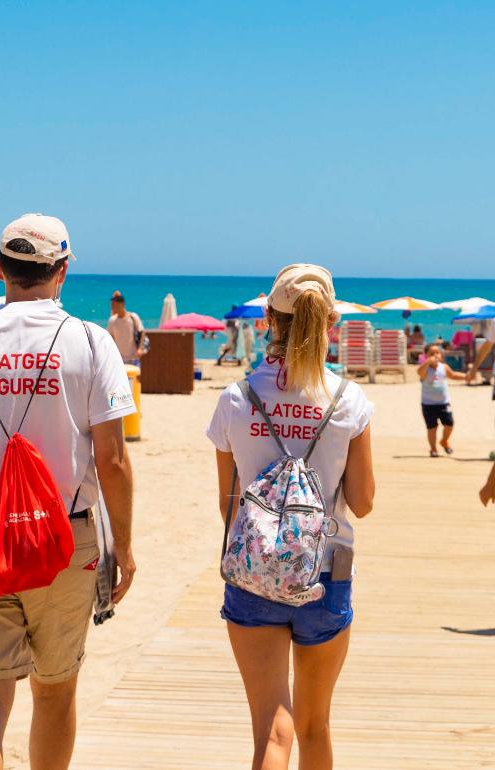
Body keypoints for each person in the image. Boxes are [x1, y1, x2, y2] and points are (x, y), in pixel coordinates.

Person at [0, 213, 137, 770]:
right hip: (66, 538)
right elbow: (112, 461)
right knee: (56, 689)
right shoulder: (90, 342)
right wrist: (127, 549)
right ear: (63, 270)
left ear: (0, 271)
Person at [207, 264, 375, 770]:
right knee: (313, 727)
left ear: (267, 320)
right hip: (326, 574)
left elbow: (228, 503)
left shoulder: (237, 398)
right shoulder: (348, 400)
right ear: (330, 325)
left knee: (271, 732)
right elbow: (363, 503)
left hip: (255, 575)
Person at [418, 343, 467, 457]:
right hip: (428, 404)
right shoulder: (425, 369)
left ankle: (444, 440)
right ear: (426, 356)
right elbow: (420, 372)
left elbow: (453, 375)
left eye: (437, 353)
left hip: (443, 403)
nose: (435, 355)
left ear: (441, 355)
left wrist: (466, 376)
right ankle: (433, 448)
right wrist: (428, 362)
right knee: (432, 428)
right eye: (431, 353)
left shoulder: (443, 367)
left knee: (449, 424)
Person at [106, 291, 147, 364]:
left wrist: (140, 349)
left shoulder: (133, 317)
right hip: (118, 359)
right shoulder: (112, 320)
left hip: (134, 358)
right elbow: (110, 339)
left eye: (113, 304)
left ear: (121, 304)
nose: (112, 307)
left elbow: (142, 333)